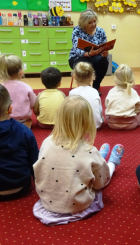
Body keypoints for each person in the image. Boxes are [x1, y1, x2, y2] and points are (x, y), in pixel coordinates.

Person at [33, 96, 124, 226]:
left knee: (87, 162)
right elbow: (101, 182)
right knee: (101, 170)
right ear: (87, 123)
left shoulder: (46, 142)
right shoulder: (88, 150)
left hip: (48, 201)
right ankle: (111, 162)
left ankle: (100, 159)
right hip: (77, 204)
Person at [69, 9, 109, 94]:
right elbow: (76, 50)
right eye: (90, 23)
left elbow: (104, 46)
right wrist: (88, 54)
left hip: (96, 57)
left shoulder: (101, 31)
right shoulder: (77, 30)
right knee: (85, 65)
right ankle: (85, 89)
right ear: (83, 23)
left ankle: (95, 87)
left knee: (104, 62)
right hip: (78, 57)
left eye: (94, 21)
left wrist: (105, 53)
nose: (93, 24)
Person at [0, 55, 36, 128]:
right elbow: (33, 104)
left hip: (6, 119)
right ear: (21, 73)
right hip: (23, 119)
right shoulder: (26, 87)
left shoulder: (0, 87)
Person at [105, 64, 140, 130]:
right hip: (130, 125)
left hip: (112, 124)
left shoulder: (111, 91)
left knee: (106, 110)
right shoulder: (133, 92)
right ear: (131, 79)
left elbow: (107, 105)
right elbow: (138, 109)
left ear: (115, 79)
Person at [69, 62, 104, 129]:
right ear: (92, 76)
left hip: (78, 127)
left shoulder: (72, 92)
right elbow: (99, 110)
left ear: (74, 76)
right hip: (95, 126)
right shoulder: (95, 91)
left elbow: (71, 112)